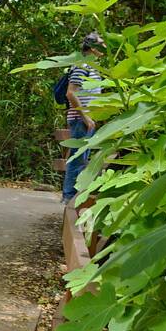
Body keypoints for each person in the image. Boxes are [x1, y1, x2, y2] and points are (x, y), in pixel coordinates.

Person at [62, 31, 105, 206]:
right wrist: (85, 117)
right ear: (92, 46)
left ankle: (72, 196)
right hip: (81, 119)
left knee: (82, 157)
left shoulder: (91, 66)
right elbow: (70, 93)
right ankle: (69, 196)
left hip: (87, 119)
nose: (104, 47)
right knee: (78, 157)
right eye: (101, 43)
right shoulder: (82, 66)